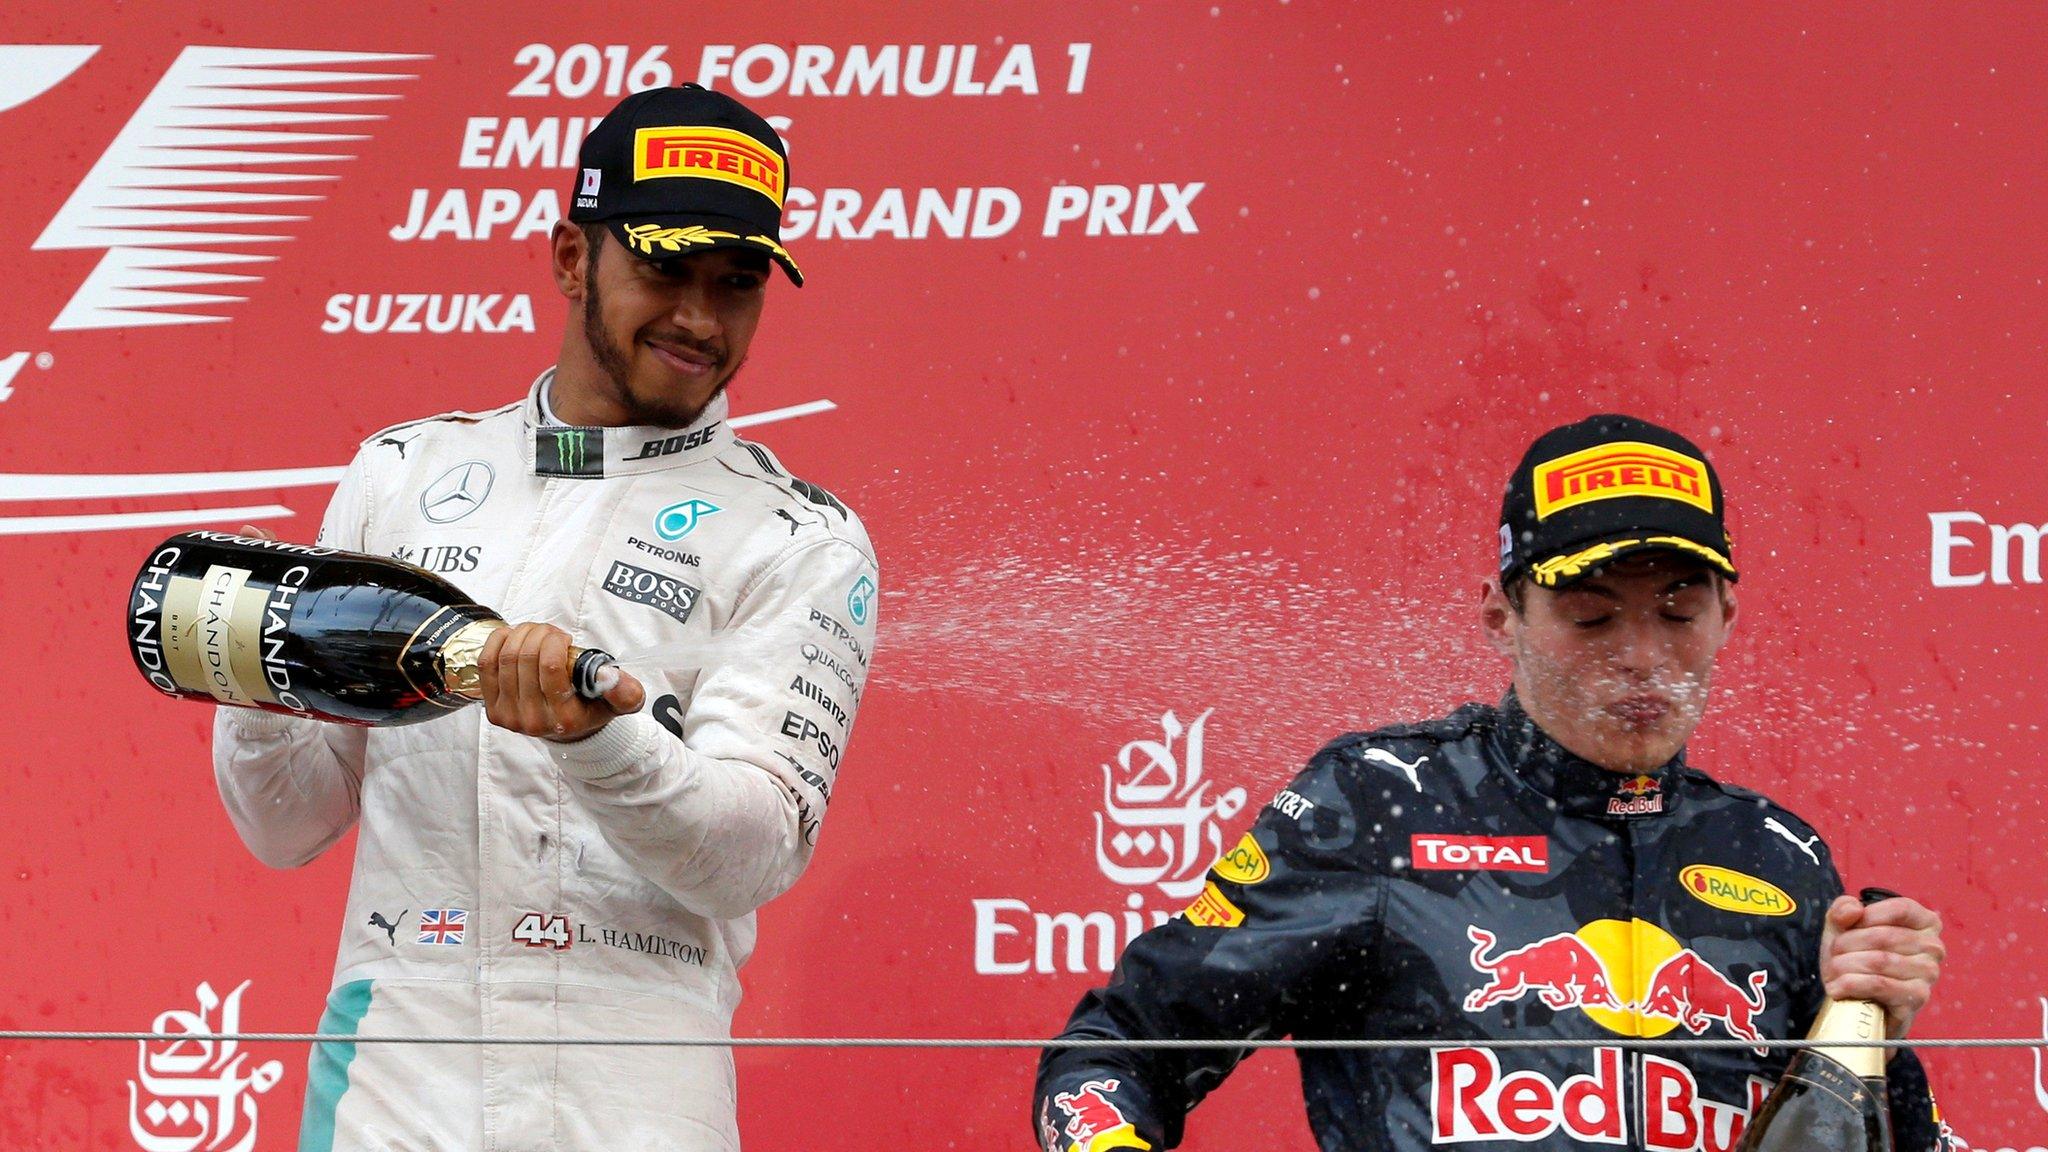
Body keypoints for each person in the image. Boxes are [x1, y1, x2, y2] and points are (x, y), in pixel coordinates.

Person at [213, 85, 878, 1151]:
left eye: (737, 284)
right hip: (394, 1061)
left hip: (635, 1079)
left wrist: (596, 736)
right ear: (572, 258)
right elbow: (283, 824)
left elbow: (749, 858)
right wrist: (250, 681)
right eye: (664, 270)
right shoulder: (403, 473)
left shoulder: (798, 538)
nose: (700, 321)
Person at [1033, 415, 1950, 1151]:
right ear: (1498, 616)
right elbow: (1111, 1061)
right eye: (1592, 618)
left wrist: (1873, 1026)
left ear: (1729, 617)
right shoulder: (1379, 801)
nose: (1640, 657)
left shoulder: (1779, 856)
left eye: (1678, 613)